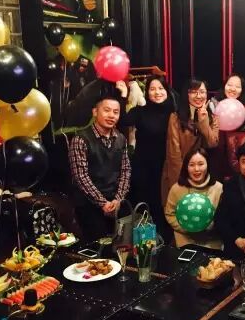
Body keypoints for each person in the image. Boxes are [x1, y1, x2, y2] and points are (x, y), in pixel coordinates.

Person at [69, 94, 131, 241]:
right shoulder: (80, 139)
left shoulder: (121, 138)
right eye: (107, 110)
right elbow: (81, 177)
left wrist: (118, 199)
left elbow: (125, 170)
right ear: (95, 112)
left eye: (116, 112)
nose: (111, 115)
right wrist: (102, 203)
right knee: (98, 248)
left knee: (122, 244)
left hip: (115, 202)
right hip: (89, 204)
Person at [161, 79, 219, 207]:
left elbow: (212, 143)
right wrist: (180, 184)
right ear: (186, 94)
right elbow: (174, 154)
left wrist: (203, 122)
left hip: (204, 174)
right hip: (180, 174)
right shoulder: (176, 118)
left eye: (202, 92)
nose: (198, 96)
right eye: (193, 92)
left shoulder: (213, 117)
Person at [128, 76, 174, 226]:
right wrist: (123, 95)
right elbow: (122, 120)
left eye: (161, 88)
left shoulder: (175, 113)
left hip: (166, 168)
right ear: (147, 92)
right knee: (145, 208)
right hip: (144, 168)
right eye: (152, 89)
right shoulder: (139, 112)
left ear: (167, 91)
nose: (157, 92)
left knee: (165, 206)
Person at [165, 148, 223, 251]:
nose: (196, 169)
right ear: (186, 167)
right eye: (191, 165)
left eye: (201, 164)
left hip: (212, 243)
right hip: (185, 243)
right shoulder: (177, 188)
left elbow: (224, 217)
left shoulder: (219, 188)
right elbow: (170, 214)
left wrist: (210, 227)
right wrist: (187, 229)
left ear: (208, 165)